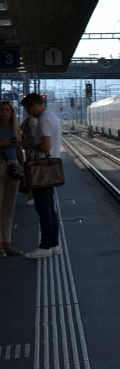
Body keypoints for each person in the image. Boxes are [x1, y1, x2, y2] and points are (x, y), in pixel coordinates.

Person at [21, 93, 62, 258]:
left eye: (28, 109)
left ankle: (45, 246)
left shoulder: (43, 119)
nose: (29, 113)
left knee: (43, 208)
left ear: (34, 105)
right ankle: (54, 244)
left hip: (42, 170)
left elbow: (45, 145)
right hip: (50, 168)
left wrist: (30, 144)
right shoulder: (52, 117)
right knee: (49, 208)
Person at [0, 100, 24, 257]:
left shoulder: (15, 128)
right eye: (2, 110)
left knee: (9, 209)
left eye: (8, 110)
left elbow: (19, 149)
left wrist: (23, 169)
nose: (4, 112)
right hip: (0, 166)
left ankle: (6, 243)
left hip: (13, 167)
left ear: (12, 112)